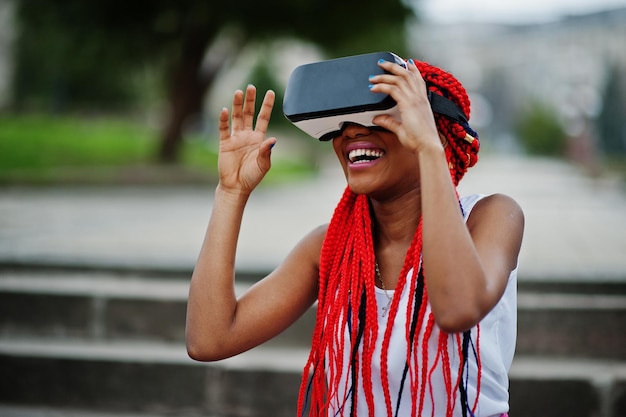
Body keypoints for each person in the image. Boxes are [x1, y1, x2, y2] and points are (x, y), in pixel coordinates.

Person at [186, 56, 524, 417]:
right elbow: (211, 338)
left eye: (378, 116)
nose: (350, 132)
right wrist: (231, 193)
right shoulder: (329, 247)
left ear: (434, 129)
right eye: (340, 124)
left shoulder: (490, 217)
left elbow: (457, 310)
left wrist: (428, 148)